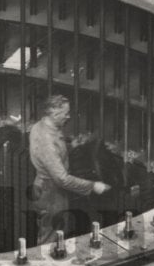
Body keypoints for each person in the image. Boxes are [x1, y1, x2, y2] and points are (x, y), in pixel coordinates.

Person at [29, 95, 111, 242]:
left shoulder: (41, 126)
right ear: (55, 113)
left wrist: (69, 147)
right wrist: (93, 186)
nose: (69, 116)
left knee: (52, 232)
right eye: (66, 113)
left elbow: (51, 156)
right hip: (51, 194)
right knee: (51, 237)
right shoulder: (47, 140)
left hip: (43, 187)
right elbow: (62, 179)